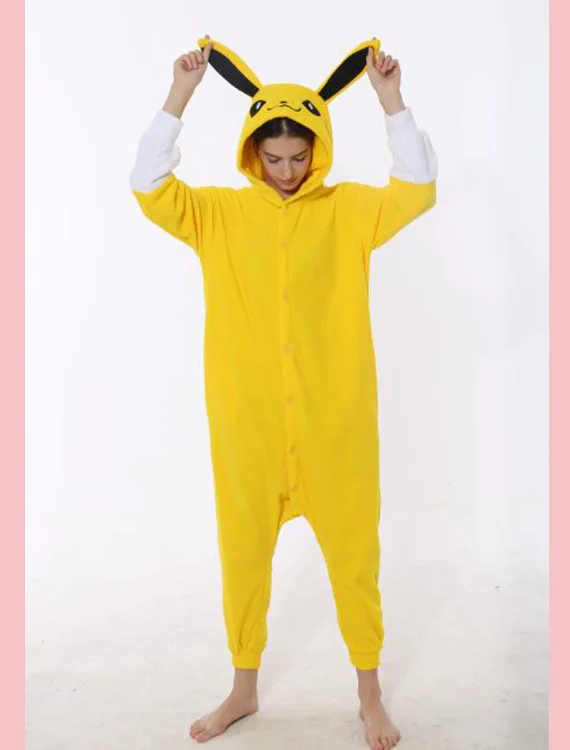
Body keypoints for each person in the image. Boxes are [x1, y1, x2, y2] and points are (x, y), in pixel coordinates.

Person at [129, 34, 437, 750]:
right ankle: (243, 688)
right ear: (252, 152)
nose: (289, 172)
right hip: (249, 425)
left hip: (336, 425)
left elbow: (418, 189)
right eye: (274, 158)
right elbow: (147, 185)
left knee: (355, 558)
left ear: (318, 149)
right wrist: (180, 94)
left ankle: (369, 693)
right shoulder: (217, 215)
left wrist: (391, 100)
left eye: (300, 157)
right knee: (243, 556)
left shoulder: (349, 211)